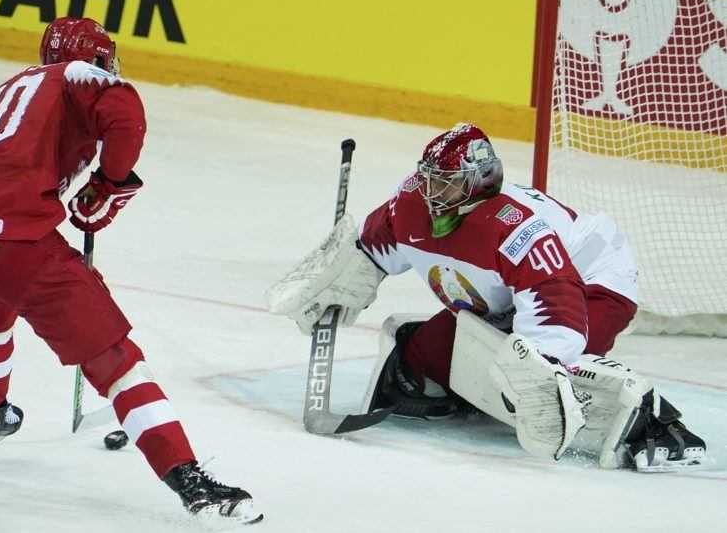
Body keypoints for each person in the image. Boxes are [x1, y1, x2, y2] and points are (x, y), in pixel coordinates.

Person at [0, 17, 262, 526]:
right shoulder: (82, 77)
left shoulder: (14, 86)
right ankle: (190, 481)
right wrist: (112, 184)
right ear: (94, 59)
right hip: (16, 249)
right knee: (119, 364)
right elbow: (126, 117)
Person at [267, 122, 705, 472]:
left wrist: (535, 367)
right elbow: (372, 246)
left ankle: (651, 420)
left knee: (532, 371)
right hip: (516, 296)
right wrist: (342, 280)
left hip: (592, 282)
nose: (432, 192)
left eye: (448, 183)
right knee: (419, 362)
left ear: (480, 182)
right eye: (430, 179)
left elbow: (557, 304)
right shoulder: (411, 206)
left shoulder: (513, 228)